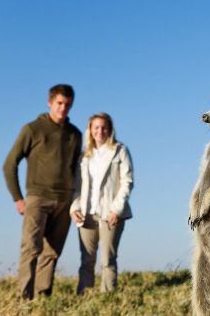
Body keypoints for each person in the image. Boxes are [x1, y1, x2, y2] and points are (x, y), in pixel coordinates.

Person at [3, 84, 82, 300]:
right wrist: (18, 198)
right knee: (31, 248)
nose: (63, 108)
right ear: (50, 102)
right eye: (59, 103)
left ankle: (43, 297)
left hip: (64, 200)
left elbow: (77, 170)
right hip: (37, 198)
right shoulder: (32, 129)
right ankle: (24, 298)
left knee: (52, 252)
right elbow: (9, 164)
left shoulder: (75, 134)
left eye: (67, 104)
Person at [70, 112, 134, 294]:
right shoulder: (84, 157)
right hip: (86, 213)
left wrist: (117, 209)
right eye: (96, 127)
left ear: (110, 129)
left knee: (108, 259)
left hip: (111, 213)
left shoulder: (120, 150)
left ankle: (108, 298)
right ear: (90, 130)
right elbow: (76, 186)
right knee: (86, 259)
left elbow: (127, 181)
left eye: (104, 127)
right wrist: (74, 208)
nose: (100, 131)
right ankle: (84, 296)